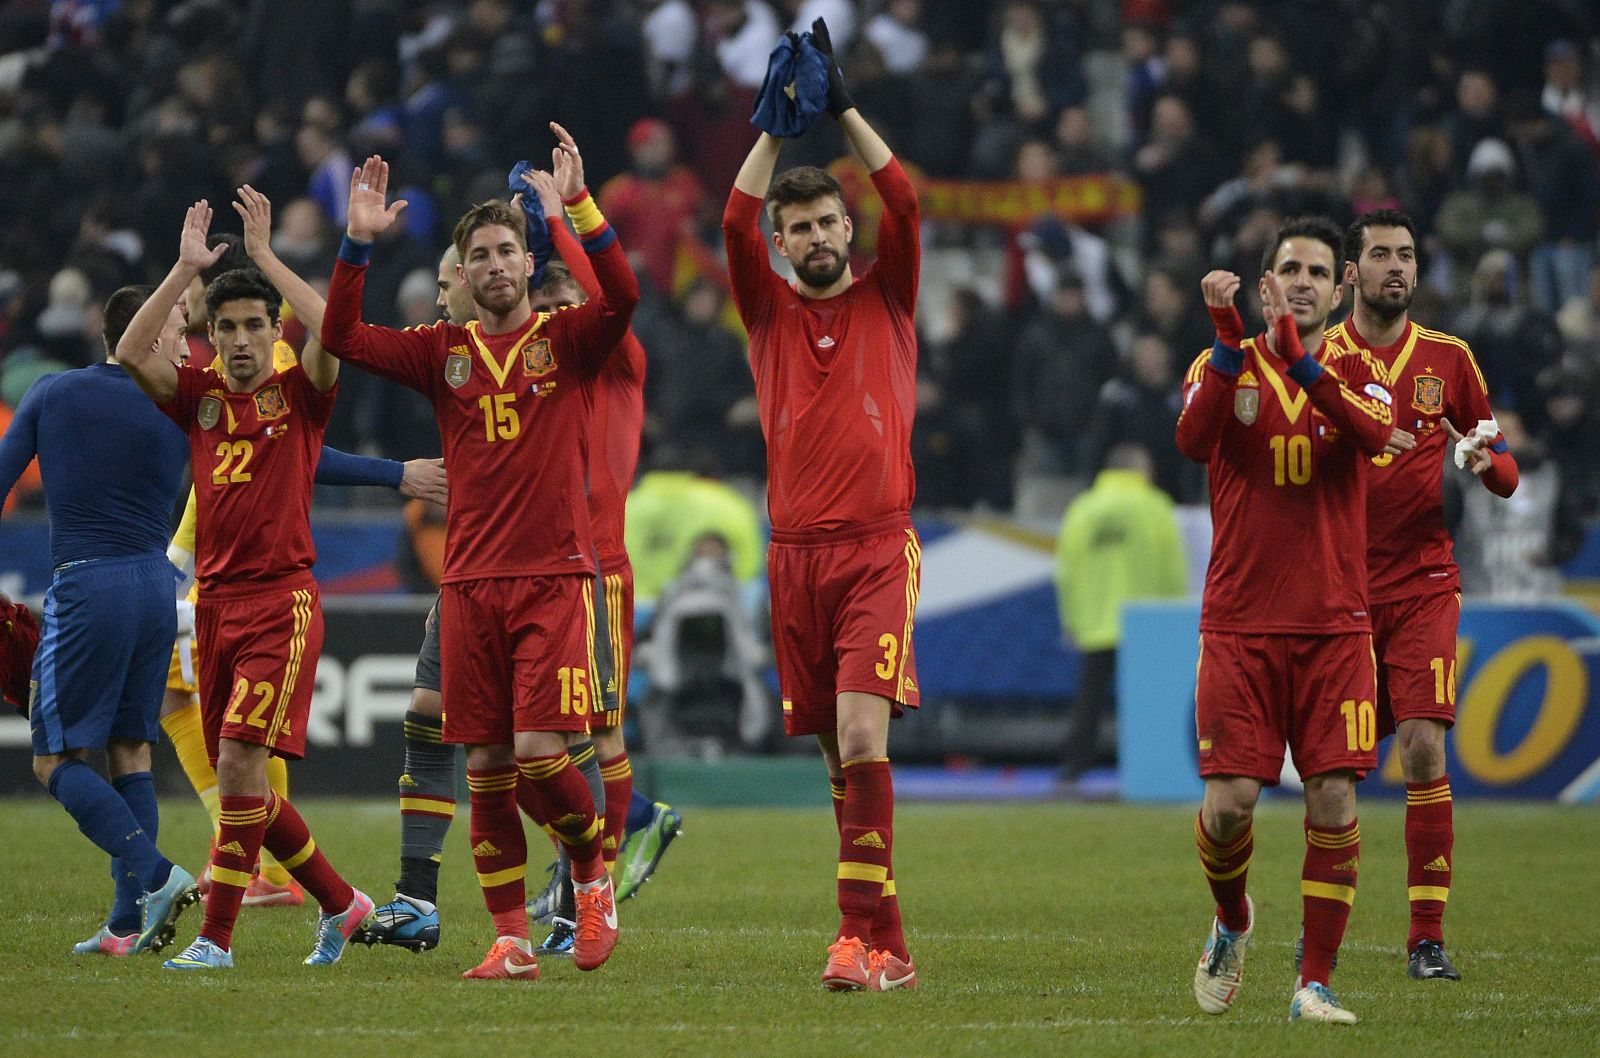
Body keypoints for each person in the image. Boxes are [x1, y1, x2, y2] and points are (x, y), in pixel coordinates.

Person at [320, 129, 639, 981]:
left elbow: (626, 293)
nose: (495, 263)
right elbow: (343, 337)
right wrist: (356, 243)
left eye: (507, 249)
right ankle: (508, 940)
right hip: (467, 588)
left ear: (529, 264)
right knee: (489, 769)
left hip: (555, 580)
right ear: (460, 274)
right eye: (480, 254)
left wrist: (579, 207)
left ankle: (591, 869)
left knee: (540, 752)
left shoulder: (568, 341)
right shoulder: (443, 353)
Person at [117, 193, 374, 971]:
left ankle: (215, 940)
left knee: (236, 764)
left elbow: (336, 330)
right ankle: (343, 902)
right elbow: (132, 352)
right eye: (223, 326)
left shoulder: (301, 395)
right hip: (215, 608)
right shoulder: (197, 402)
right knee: (251, 782)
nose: (236, 339)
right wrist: (186, 270)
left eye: (252, 325)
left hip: (280, 603)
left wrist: (264, 260)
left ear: (273, 332)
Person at [1176, 216, 1416, 1024]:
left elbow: (1375, 434)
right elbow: (1191, 439)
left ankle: (1313, 982)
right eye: (1291, 269)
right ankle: (1233, 920)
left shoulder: (1361, 372)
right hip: (1240, 623)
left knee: (1334, 801)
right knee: (1231, 803)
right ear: (1267, 277)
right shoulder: (1222, 363)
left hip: (1337, 627)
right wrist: (1230, 342)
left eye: (1319, 270)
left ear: (1341, 284)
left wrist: (1299, 354)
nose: (1305, 281)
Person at [723, 19, 920, 992]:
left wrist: (839, 106)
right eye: (793, 227)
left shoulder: (889, 296)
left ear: (848, 230)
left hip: (878, 549)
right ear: (783, 240)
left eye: (824, 222)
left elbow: (907, 200)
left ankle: (850, 940)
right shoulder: (765, 309)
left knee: (858, 739)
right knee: (839, 769)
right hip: (792, 554)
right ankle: (893, 947)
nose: (809, 236)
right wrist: (771, 130)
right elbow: (729, 225)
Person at [1325, 209, 1520, 981]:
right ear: (1351, 274)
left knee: (1423, 745)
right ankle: (1306, 935)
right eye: (1379, 255)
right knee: (1332, 771)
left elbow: (1507, 473)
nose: (1395, 268)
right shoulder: (1321, 358)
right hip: (1335, 588)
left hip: (1423, 580)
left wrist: (1481, 460)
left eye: (1405, 255)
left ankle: (1425, 940)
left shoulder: (1450, 359)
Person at [0, 283, 199, 958]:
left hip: (89, 583)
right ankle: (122, 926)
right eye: (175, 328)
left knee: (53, 759)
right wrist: (394, 474)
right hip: (155, 588)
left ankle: (156, 874)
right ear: (142, 332)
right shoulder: (181, 407)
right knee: (129, 751)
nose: (183, 341)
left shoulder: (54, 394)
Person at [1053, 442, 1187, 787]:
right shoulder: (1155, 507)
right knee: (1151, 704)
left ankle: (1072, 772)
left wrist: (1071, 619)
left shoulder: (1083, 509)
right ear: (1142, 470)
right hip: (1148, 624)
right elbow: (1172, 566)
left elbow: (1066, 570)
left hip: (1097, 622)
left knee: (1090, 702)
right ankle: (1154, 773)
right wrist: (1172, 617)